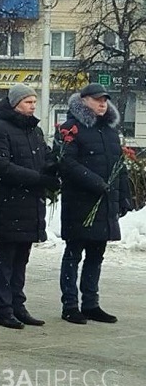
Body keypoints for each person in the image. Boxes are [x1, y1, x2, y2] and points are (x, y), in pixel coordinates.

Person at [56, 83, 130, 325]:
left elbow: (119, 167)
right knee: (73, 254)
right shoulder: (70, 129)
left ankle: (91, 303)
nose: (102, 104)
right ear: (84, 100)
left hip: (104, 203)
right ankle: (70, 305)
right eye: (97, 99)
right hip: (80, 202)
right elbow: (66, 164)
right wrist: (94, 181)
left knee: (96, 255)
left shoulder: (109, 131)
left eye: (105, 100)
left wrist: (124, 195)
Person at [0, 84, 56, 330]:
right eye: (28, 102)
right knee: (7, 258)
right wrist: (38, 179)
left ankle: (18, 304)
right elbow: (2, 167)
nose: (32, 106)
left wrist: (56, 166)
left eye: (34, 102)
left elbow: (46, 158)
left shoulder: (34, 131)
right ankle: (4, 309)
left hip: (30, 205)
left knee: (21, 258)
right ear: (15, 104)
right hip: (9, 204)